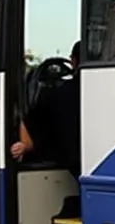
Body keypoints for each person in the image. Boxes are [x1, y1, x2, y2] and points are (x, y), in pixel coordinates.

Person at [11, 41, 81, 178]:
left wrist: (25, 146)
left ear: (73, 60)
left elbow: (31, 121)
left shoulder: (56, 95)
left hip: (69, 163)